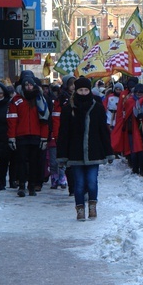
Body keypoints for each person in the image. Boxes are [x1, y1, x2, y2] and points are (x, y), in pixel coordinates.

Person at [57, 77, 114, 221]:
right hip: (75, 152)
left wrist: (109, 152)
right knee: (79, 183)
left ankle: (92, 205)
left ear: (89, 90)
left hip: (94, 150)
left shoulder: (97, 107)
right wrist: (62, 155)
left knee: (92, 181)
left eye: (86, 90)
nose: (83, 93)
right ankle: (80, 208)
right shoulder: (68, 108)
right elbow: (63, 133)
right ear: (76, 91)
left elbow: (103, 131)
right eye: (80, 90)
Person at [7, 73, 50, 197]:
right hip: (21, 135)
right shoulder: (16, 100)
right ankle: (21, 185)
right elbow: (12, 120)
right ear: (23, 86)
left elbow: (45, 120)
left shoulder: (39, 99)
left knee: (34, 163)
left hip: (36, 136)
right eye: (26, 84)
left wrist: (44, 137)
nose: (29, 87)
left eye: (30, 84)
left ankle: (32, 186)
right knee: (21, 162)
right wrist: (11, 137)